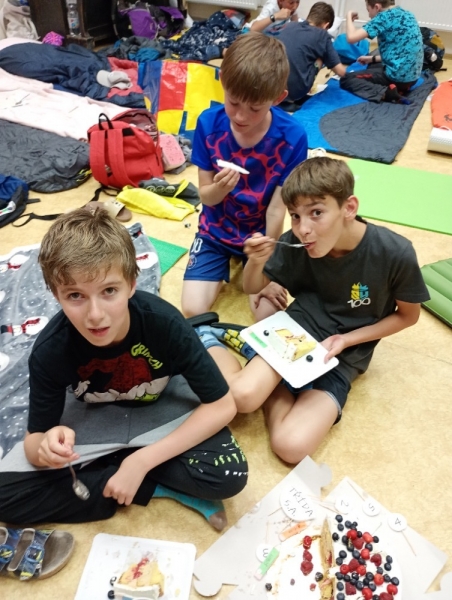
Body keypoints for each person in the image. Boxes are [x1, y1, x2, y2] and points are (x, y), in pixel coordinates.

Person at [0, 208, 248, 529]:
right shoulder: (50, 350)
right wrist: (46, 447)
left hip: (161, 407)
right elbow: (35, 440)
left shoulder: (166, 323)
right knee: (5, 496)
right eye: (75, 295)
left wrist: (142, 460)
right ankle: (151, 486)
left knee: (229, 474)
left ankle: (124, 470)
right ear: (56, 295)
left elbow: (223, 405)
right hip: (95, 420)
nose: (95, 315)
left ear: (132, 284)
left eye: (109, 291)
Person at [200, 157, 429, 465]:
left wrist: (346, 340)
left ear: (349, 208)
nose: (303, 229)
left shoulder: (394, 252)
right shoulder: (294, 242)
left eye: (316, 213)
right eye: (295, 216)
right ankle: (208, 337)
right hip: (297, 332)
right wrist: (255, 261)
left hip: (345, 356)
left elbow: (408, 316)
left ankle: (264, 362)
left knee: (291, 447)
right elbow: (253, 287)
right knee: (242, 398)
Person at [181, 32, 308, 321]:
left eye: (255, 108)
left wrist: (267, 257)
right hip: (215, 232)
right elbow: (206, 197)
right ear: (223, 82)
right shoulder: (208, 125)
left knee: (268, 312)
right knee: (193, 309)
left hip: (260, 235)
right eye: (234, 102)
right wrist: (220, 188)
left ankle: (257, 267)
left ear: (277, 99)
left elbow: (276, 210)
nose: (240, 116)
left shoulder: (292, 137)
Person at [341, 0, 423, 103]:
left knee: (346, 79)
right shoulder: (408, 14)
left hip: (398, 79)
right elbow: (401, 52)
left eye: (368, 10)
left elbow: (351, 38)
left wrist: (348, 16)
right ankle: (394, 87)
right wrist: (372, 59)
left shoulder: (383, 17)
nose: (369, 15)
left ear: (377, 7)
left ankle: (386, 93)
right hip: (413, 78)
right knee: (373, 62)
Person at [278, 2, 347, 110]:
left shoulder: (290, 25)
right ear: (326, 25)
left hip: (272, 87)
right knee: (320, 56)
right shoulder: (322, 35)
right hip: (295, 92)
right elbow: (341, 72)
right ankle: (295, 95)